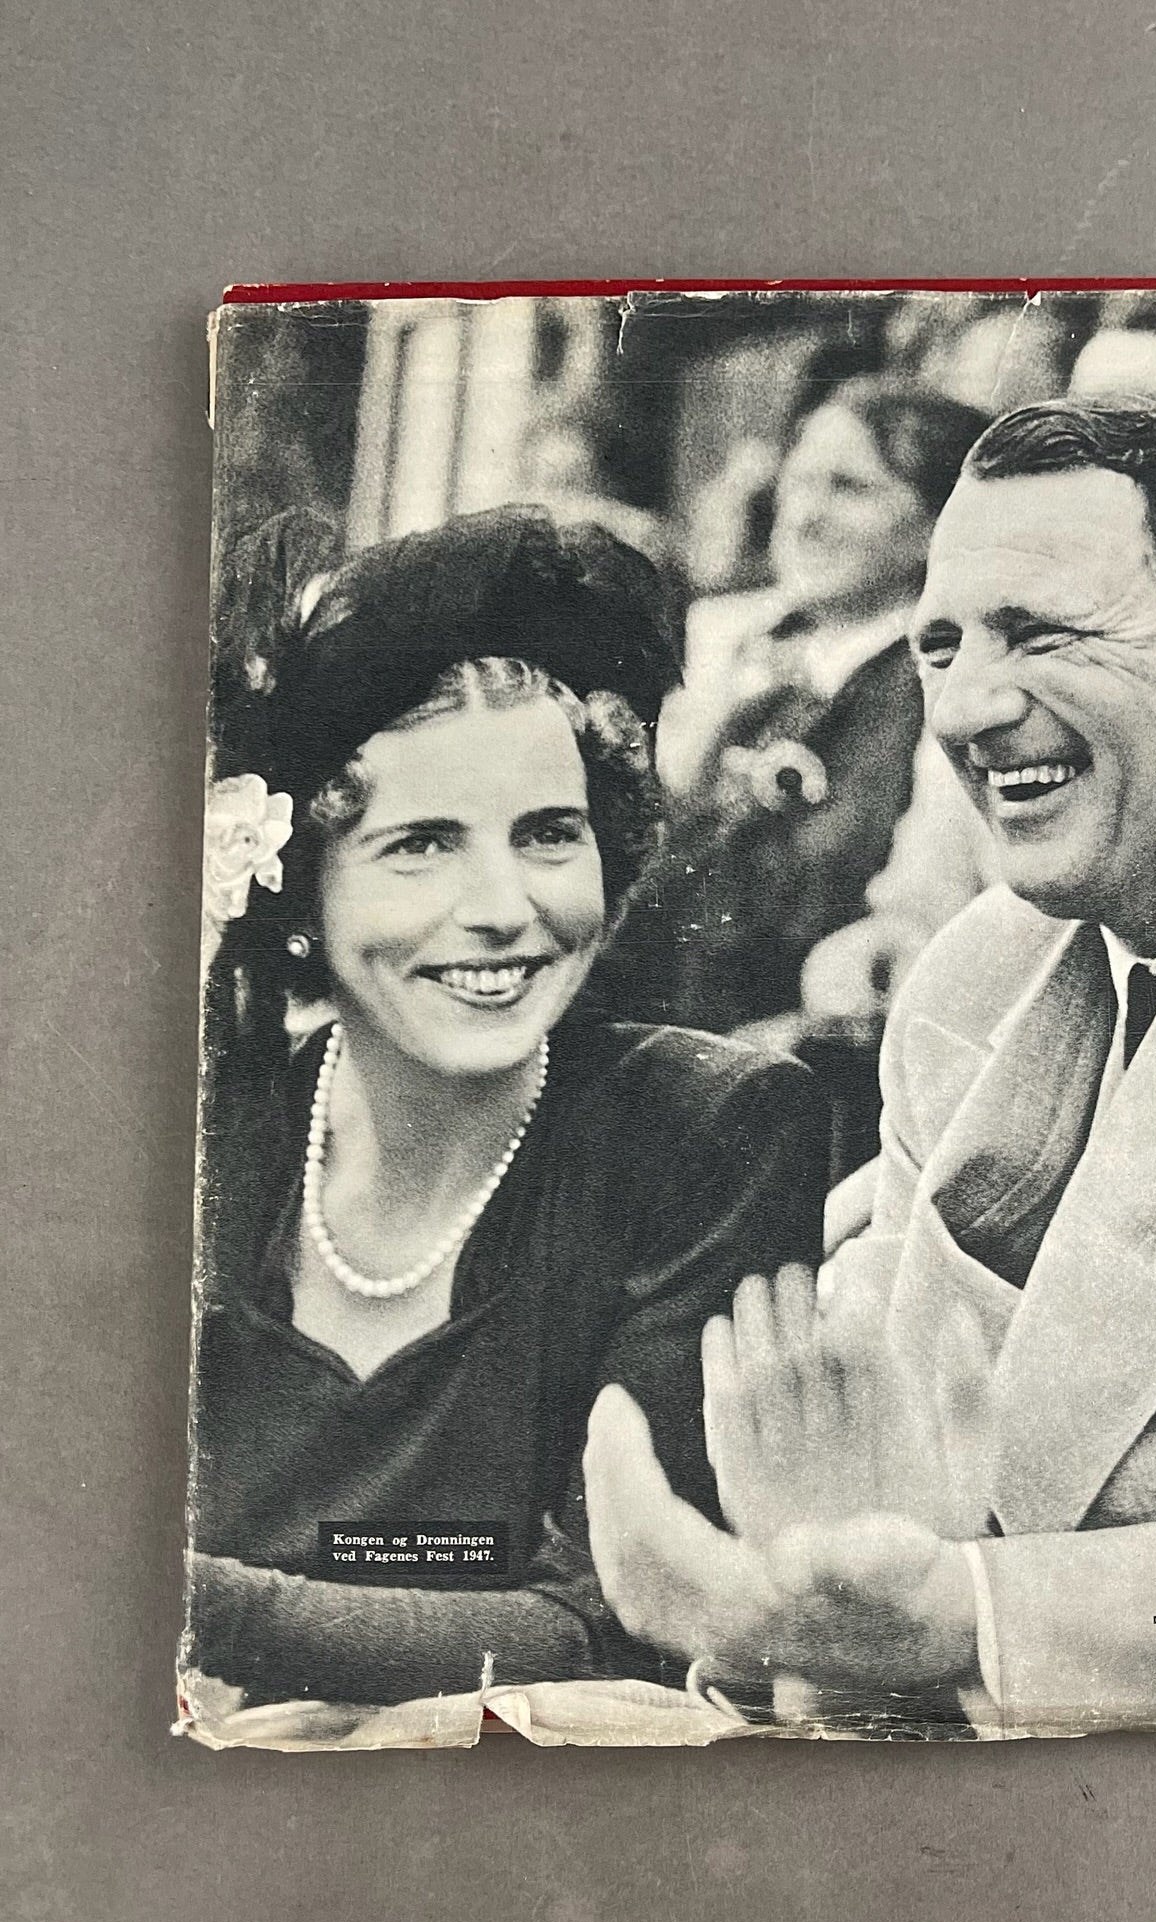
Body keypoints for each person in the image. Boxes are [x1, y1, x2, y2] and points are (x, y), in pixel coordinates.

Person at [584, 400, 1156, 1735]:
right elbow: (895, 1522)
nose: (964, 711)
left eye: (1042, 633)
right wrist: (820, 1603)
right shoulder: (974, 980)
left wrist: (974, 1616)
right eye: (941, 645)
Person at [186, 504, 828, 1714]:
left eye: (548, 834)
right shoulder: (210, 1134)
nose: (500, 906)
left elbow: (614, 1622)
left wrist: (169, 1601)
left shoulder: (707, 1130)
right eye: (421, 843)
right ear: (302, 888)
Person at [630, 377, 994, 1053]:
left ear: (935, 525)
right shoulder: (746, 666)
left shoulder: (943, 686)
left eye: (849, 488)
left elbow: (919, 925)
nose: (805, 516)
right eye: (798, 483)